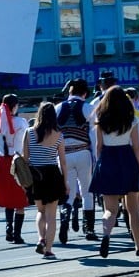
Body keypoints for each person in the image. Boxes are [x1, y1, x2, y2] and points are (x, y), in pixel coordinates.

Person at [89, 85, 139, 258]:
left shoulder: (101, 121)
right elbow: (137, 148)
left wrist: (99, 166)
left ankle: (106, 234)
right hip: (127, 160)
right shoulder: (132, 120)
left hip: (108, 160)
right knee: (133, 209)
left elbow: (98, 147)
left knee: (110, 209)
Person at [23, 102, 69, 259]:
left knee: (40, 211)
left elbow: (25, 159)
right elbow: (63, 161)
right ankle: (48, 250)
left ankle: (40, 238)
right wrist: (66, 182)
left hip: (36, 175)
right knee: (51, 215)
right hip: (53, 174)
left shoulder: (29, 132)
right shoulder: (59, 134)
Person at [54, 78, 97, 243]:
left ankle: (65, 219)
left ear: (70, 92)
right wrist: (96, 156)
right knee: (87, 191)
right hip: (83, 152)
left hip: (64, 155)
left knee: (68, 192)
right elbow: (93, 134)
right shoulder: (88, 107)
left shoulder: (58, 108)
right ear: (84, 93)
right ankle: (89, 229)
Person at [0, 93, 28, 244]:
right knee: (19, 199)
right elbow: (25, 142)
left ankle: (8, 229)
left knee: (8, 198)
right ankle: (17, 234)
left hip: (1, 160)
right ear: (14, 106)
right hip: (17, 160)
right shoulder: (21, 122)